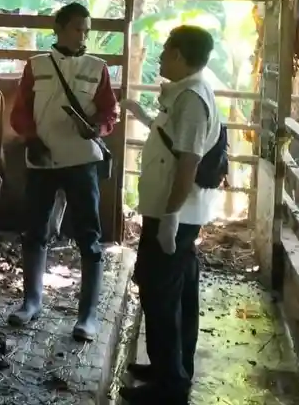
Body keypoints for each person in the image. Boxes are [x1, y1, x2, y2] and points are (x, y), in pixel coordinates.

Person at [119, 25, 222, 405]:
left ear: (179, 55)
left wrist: (171, 217)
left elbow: (188, 162)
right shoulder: (185, 93)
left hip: (174, 213)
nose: (160, 57)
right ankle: (171, 367)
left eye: (165, 51)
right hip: (170, 211)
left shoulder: (192, 98)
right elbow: (173, 139)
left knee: (159, 293)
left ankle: (169, 386)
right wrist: (142, 114)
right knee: (177, 292)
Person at [8, 1, 119, 341]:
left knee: (88, 235)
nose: (83, 36)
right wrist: (30, 138)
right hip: (42, 160)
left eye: (87, 30)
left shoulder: (97, 67)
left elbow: (108, 112)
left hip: (81, 161)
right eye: (77, 29)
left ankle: (88, 316)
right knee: (35, 230)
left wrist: (98, 128)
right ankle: (31, 302)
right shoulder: (36, 66)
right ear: (58, 28)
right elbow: (21, 111)